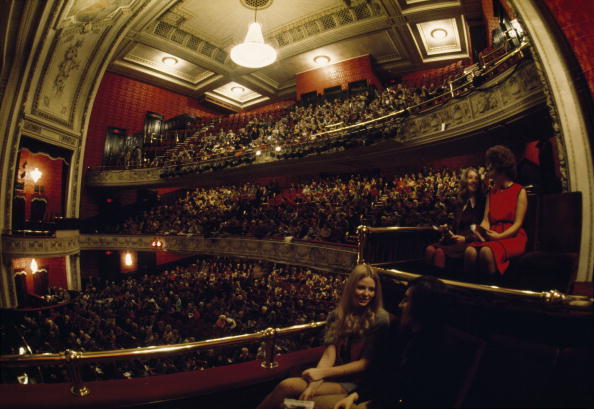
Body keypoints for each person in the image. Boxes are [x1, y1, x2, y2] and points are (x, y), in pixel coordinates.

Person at [255, 264, 389, 409]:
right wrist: (313, 385)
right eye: (361, 287)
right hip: (333, 376)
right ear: (350, 288)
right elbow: (328, 356)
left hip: (356, 383)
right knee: (285, 387)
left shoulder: (380, 318)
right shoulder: (337, 315)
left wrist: (322, 373)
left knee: (287, 388)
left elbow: (365, 363)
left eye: (372, 289)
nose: (366, 294)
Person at [331, 276, 451, 409]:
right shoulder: (405, 335)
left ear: (421, 306)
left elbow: (414, 396)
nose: (400, 305)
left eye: (406, 300)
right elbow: (383, 375)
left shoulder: (438, 348)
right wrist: (355, 396)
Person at [464, 145, 528, 276]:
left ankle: (492, 293)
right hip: (493, 234)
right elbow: (486, 220)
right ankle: (472, 293)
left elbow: (518, 224)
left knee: (486, 252)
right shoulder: (490, 193)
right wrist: (479, 232)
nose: (487, 168)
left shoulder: (519, 190)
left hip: (512, 237)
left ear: (501, 166)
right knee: (469, 251)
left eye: (491, 164)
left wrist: (500, 237)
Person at [425, 167, 486, 268]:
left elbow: (483, 229)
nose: (474, 181)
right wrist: (446, 231)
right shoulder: (460, 202)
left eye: (476, 178)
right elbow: (456, 226)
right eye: (470, 178)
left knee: (439, 252)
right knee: (429, 249)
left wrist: (465, 238)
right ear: (465, 181)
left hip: (470, 241)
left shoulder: (483, 201)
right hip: (457, 240)